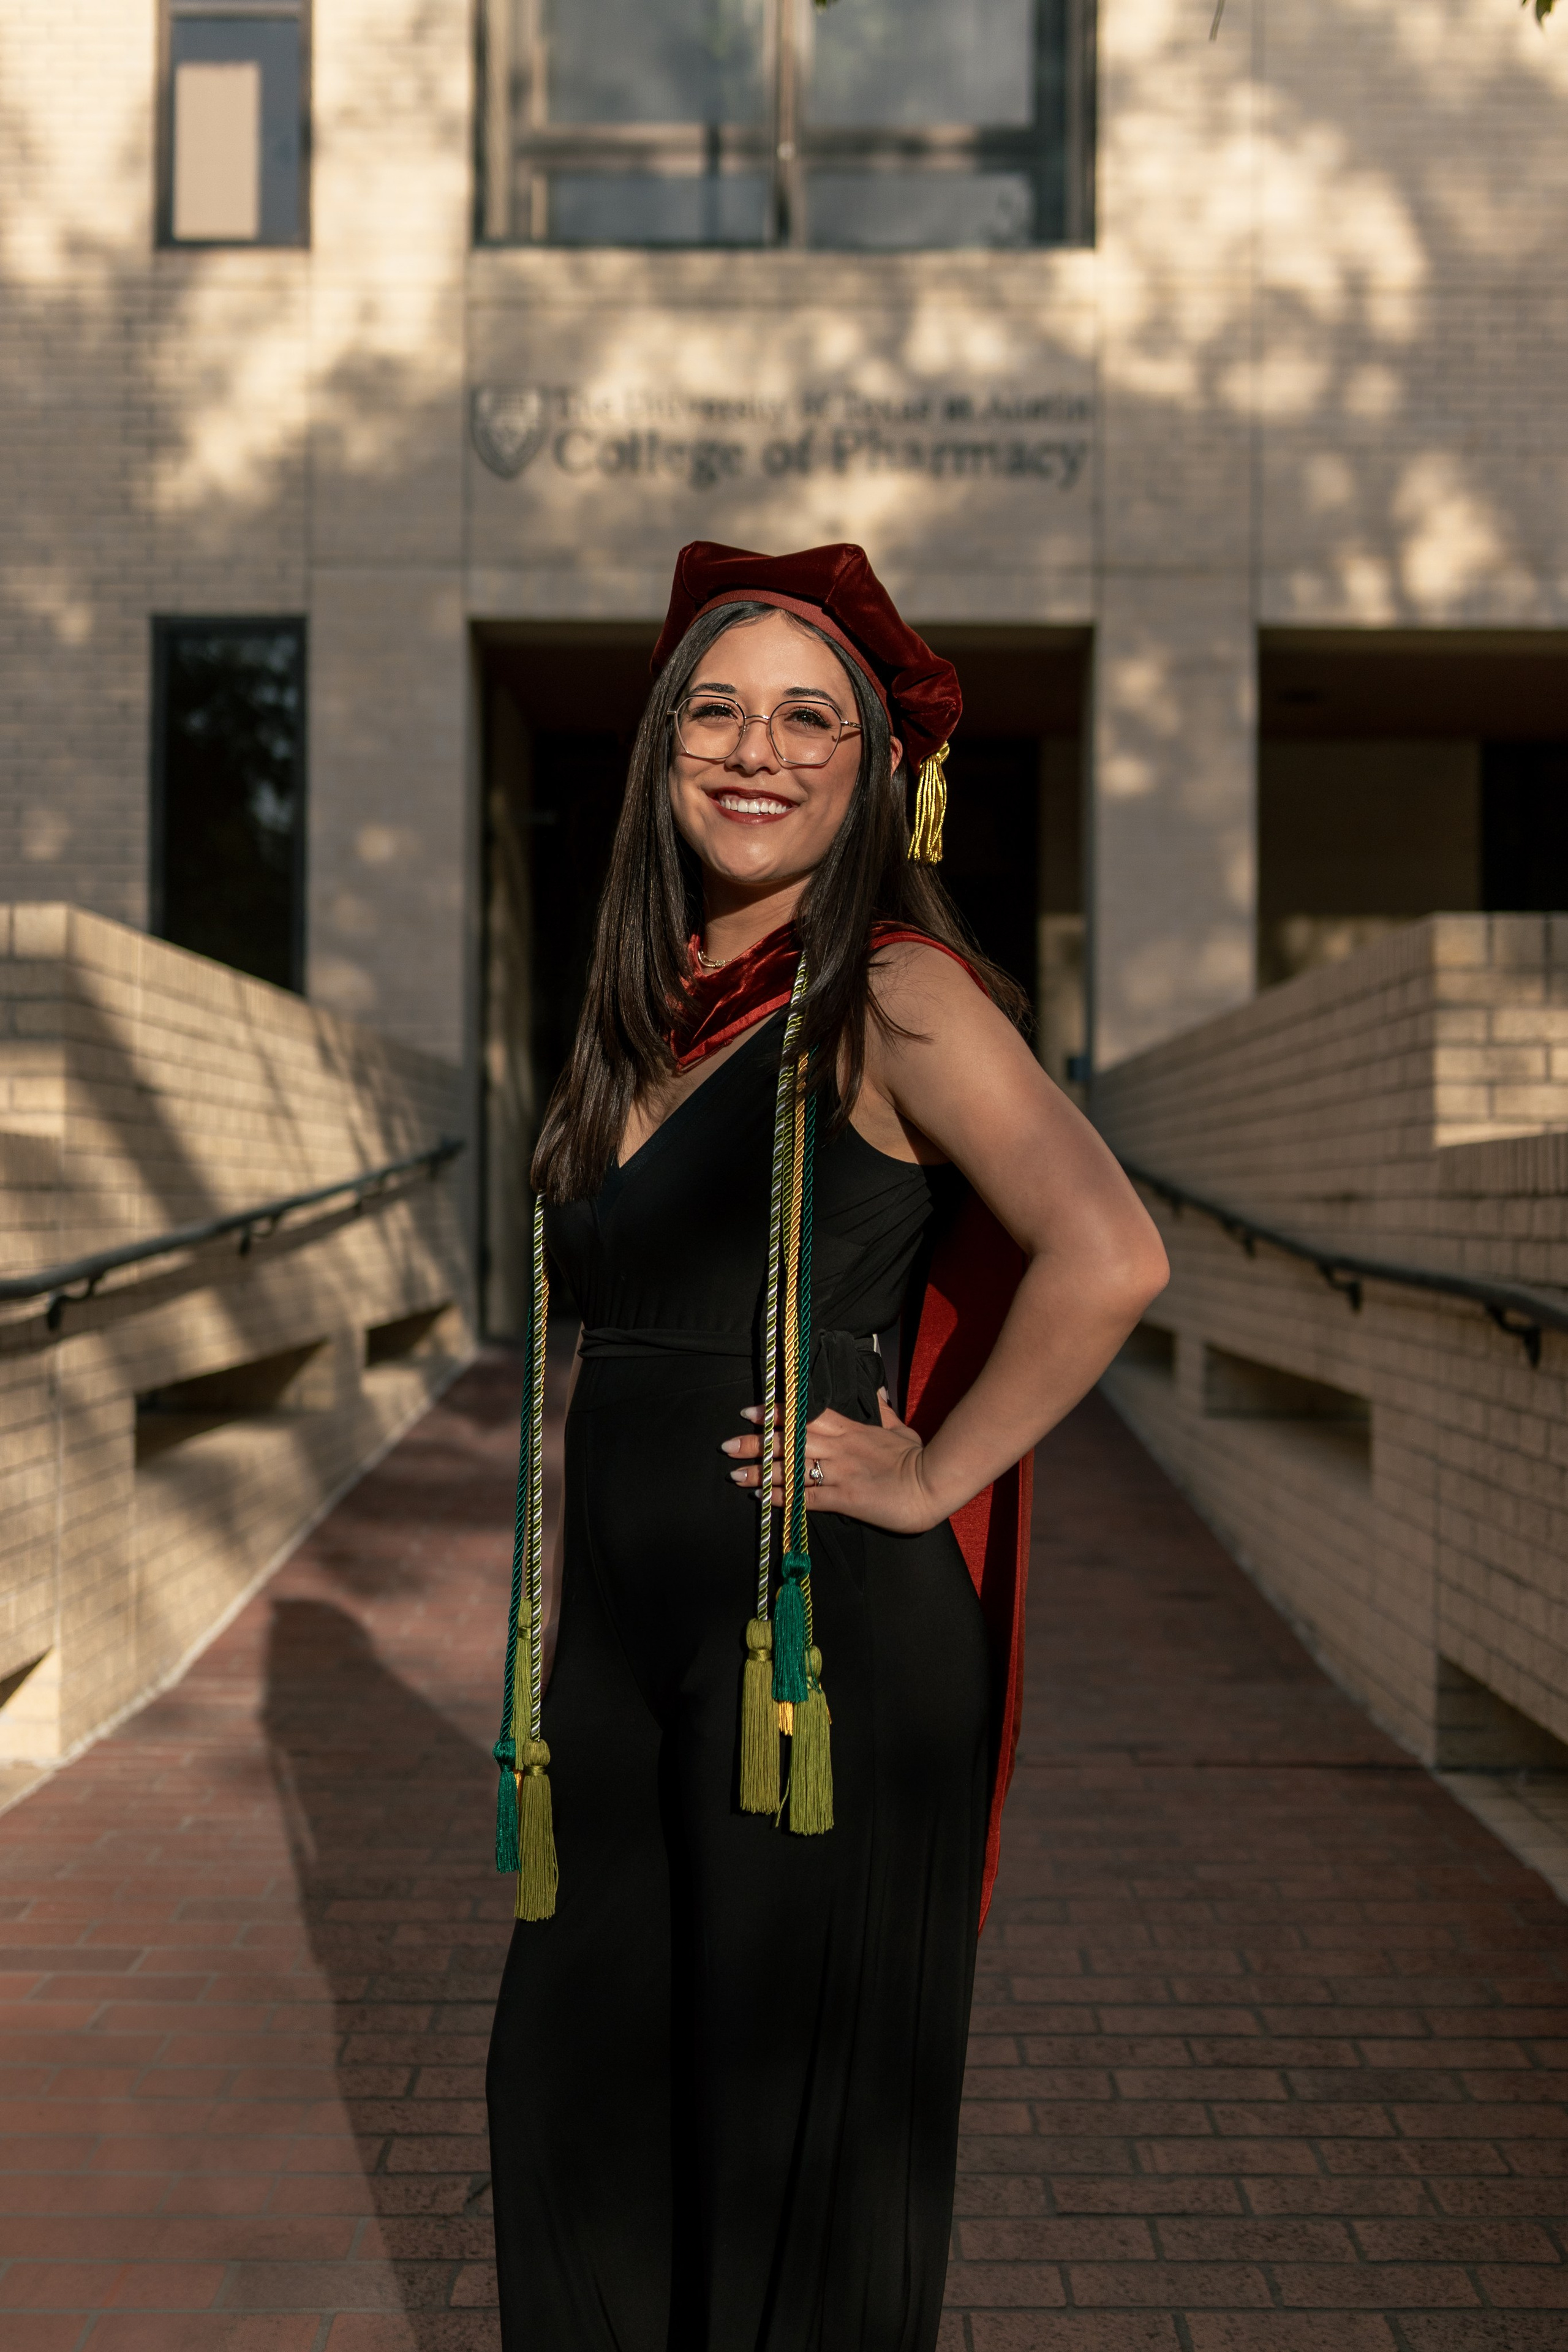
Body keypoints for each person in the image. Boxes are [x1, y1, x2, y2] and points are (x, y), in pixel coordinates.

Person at [486, 540, 1169, 2352]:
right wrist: (559, 1628)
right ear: (659, 748)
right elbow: (592, 1357)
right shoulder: (632, 1018)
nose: (755, 748)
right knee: (573, 2096)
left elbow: (1112, 1253)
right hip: (622, 1653)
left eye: (809, 718)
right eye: (716, 708)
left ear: (876, 772)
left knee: (792, 2141)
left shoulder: (893, 997)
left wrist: (935, 1478)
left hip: (816, 1654)